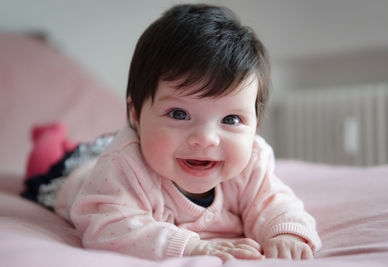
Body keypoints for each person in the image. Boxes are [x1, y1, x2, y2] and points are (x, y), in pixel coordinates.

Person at [22, 4, 321, 262]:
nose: (206, 139)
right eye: (179, 114)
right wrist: (192, 246)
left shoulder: (253, 161)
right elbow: (107, 226)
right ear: (136, 115)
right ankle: (50, 136)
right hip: (75, 174)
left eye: (231, 119)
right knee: (46, 161)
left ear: (256, 121)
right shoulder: (124, 166)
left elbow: (275, 203)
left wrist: (284, 232)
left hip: (113, 147)